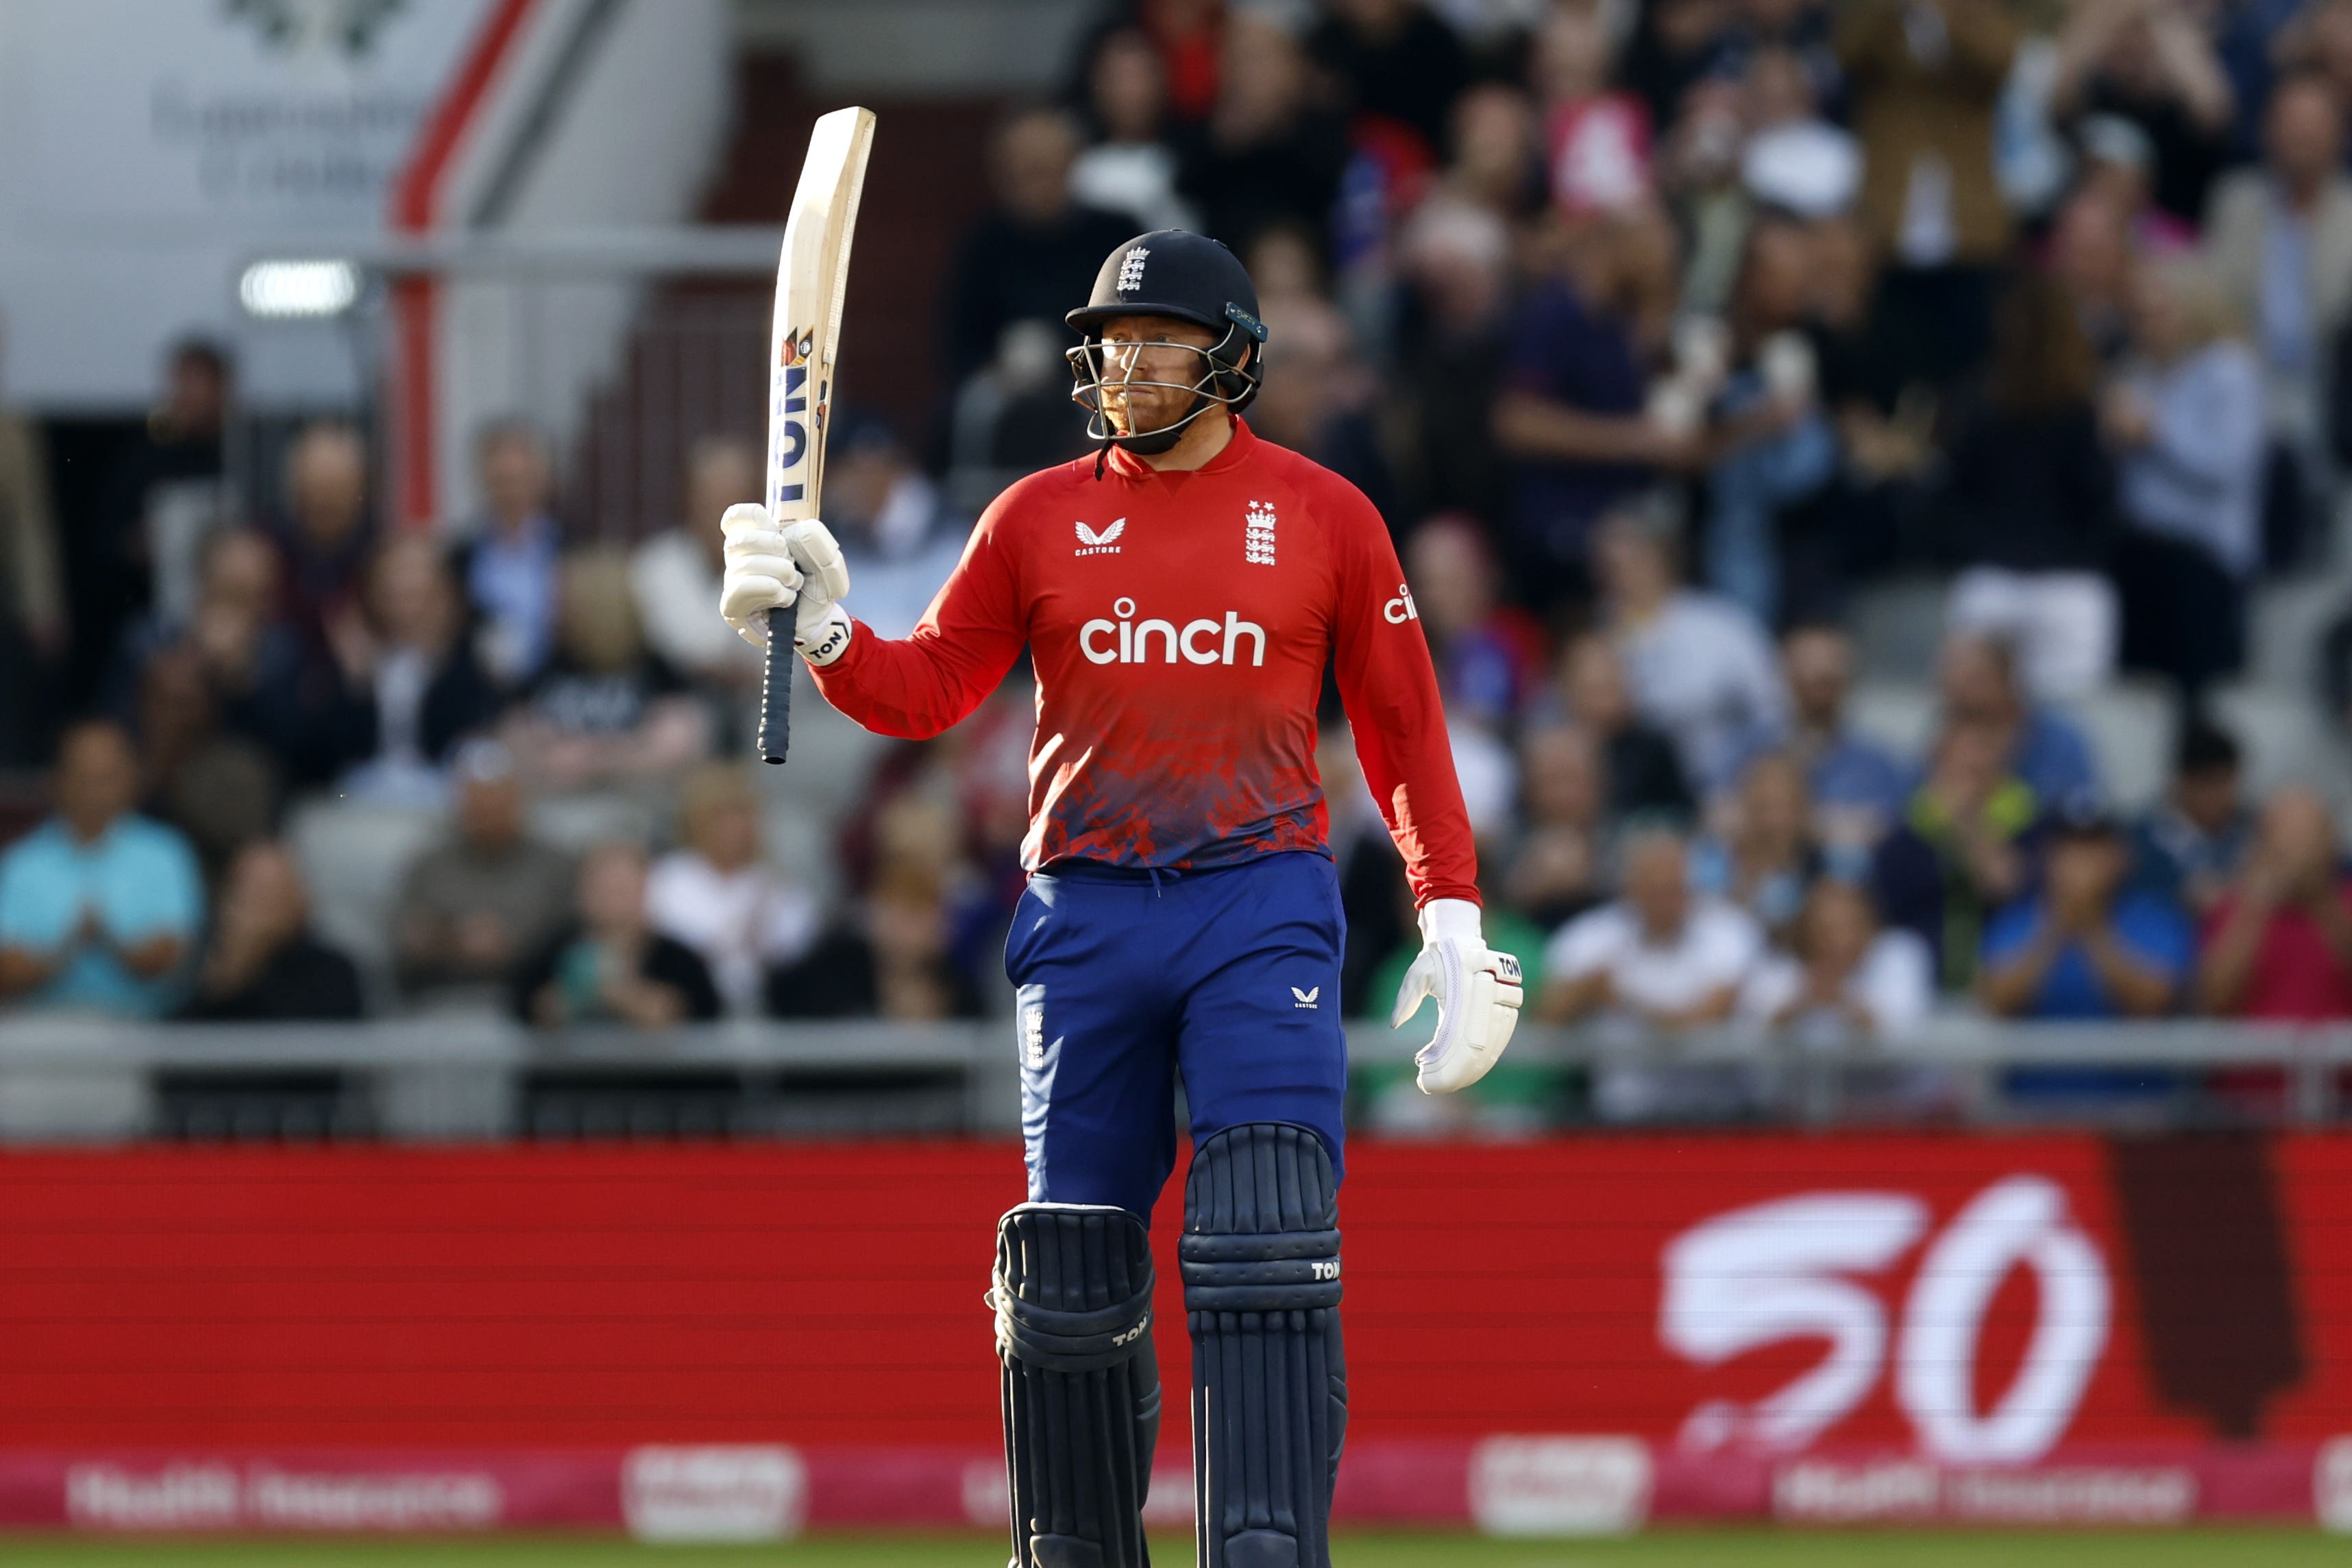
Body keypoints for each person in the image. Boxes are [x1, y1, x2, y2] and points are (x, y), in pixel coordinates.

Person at [718, 228, 1518, 1568]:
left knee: (1264, 1234)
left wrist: (1450, 908)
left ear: (1235, 361)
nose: (1126, 367)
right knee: (1068, 1274)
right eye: (1111, 344)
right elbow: (927, 692)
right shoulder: (1034, 515)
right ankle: (1074, 1547)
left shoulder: (1327, 515)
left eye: (1158, 343)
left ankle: (1262, 1545)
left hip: (1258, 901)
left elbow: (1400, 726)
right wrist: (824, 630)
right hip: (1083, 911)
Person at [1939, 271, 2120, 700]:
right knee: (2061, 712)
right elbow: (2100, 501)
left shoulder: (1975, 402)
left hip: (2009, 581)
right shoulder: (2085, 406)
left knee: (1982, 711)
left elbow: (1952, 496)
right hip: (2056, 586)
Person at [2104, 257, 2266, 694]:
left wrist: (2155, 433)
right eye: (2138, 315)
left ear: (2192, 309)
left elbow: (2225, 466)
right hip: (2138, 554)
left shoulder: (2228, 371)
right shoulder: (2136, 373)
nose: (2147, 326)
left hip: (2204, 558)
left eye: (2159, 313)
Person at [0, 720, 203, 1016]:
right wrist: (68, 948)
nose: (93, 790)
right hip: (40, 1029)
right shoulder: (20, 862)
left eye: (105, 777)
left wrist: (108, 940)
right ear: (56, 780)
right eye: (82, 776)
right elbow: (7, 970)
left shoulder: (166, 853)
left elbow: (170, 958)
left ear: (132, 778)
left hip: (145, 1030)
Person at [1593, 502, 1789, 796]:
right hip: (1631, 793)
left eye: (1628, 558)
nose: (1616, 574)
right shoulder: (1593, 635)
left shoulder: (1721, 625)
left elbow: (1772, 713)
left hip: (1727, 791)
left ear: (1660, 555)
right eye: (1605, 565)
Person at [942, 107, 1137, 382]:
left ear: (1072, 162)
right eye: (1025, 168)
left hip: (1098, 380)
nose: (1037, 181)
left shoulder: (1117, 236)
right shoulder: (984, 244)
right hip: (1003, 386)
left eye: (1047, 166)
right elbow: (959, 341)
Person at [503, 549, 711, 794]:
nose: (554, 615)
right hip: (559, 808)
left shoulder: (655, 671)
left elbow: (678, 747)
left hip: (642, 808)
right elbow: (516, 742)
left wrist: (597, 758)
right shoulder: (548, 668)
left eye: (565, 603)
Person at [315, 535, 504, 801]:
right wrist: (356, 684)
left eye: (419, 594)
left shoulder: (469, 661)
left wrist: (437, 665)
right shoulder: (354, 659)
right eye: (397, 594)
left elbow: (460, 743)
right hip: (363, 800)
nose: (409, 609)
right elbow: (328, 756)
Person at [391, 740, 574, 1004]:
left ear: (517, 802)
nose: (485, 816)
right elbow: (404, 940)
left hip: (529, 1004)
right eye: (476, 806)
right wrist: (453, 940)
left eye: (495, 804)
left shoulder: (555, 866)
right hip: (440, 1000)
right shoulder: (428, 866)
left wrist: (512, 944)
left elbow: (571, 939)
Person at [1980, 800, 2192, 1020]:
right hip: (2041, 1055)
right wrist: (2055, 928)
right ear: (2050, 859)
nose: (2083, 862)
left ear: (2121, 857)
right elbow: (1996, 1001)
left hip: (2122, 1054)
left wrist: (2093, 928)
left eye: (2094, 848)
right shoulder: (2018, 917)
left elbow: (2157, 1002)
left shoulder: (2153, 915)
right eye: (2072, 849)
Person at [1872, 718, 2036, 991]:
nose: (1970, 777)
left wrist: (1965, 822)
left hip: (2007, 987)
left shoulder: (2030, 826)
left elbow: (2004, 885)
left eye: (1981, 766)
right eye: (1960, 766)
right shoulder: (1905, 838)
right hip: (1922, 988)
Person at [647, 763, 818, 1016]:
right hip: (692, 1010)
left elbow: (792, 949)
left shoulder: (777, 886)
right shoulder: (668, 878)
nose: (734, 827)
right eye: (721, 816)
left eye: (742, 815)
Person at [516, 841, 721, 1029]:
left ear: (644, 891)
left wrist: (620, 994)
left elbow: (699, 1013)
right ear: (582, 893)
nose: (613, 902)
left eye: (622, 890)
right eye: (604, 889)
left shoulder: (681, 961)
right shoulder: (550, 952)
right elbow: (527, 1005)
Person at [2196, 786, 2352, 1020]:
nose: (2295, 852)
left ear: (2329, 843)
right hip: (2255, 1055)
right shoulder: (2233, 910)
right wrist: (2256, 908)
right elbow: (2214, 999)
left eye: (2306, 839)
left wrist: (2322, 901)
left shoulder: (2345, 904)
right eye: (2285, 837)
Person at [631, 434, 763, 689]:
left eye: (736, 498)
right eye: (712, 497)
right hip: (675, 701)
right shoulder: (656, 562)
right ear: (689, 497)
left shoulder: (778, 565)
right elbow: (687, 649)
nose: (723, 512)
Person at [179, 841, 363, 1022]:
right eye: (250, 892)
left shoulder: (332, 970)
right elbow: (190, 1034)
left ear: (299, 898)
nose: (260, 908)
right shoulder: (201, 965)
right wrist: (229, 974)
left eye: (269, 894)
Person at [1741, 877, 1932, 1042]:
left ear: (1872, 926)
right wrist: (1800, 1004)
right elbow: (1752, 1036)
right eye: (1828, 930)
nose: (1841, 941)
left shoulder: (1900, 955)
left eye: (1852, 926)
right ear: (1806, 931)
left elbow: (1906, 1039)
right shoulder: (1779, 969)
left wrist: (1845, 1005)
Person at [1776, 623, 1908, 862]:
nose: (1819, 691)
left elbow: (1889, 831)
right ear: (1787, 677)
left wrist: (1793, 822)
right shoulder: (1751, 751)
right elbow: (1720, 817)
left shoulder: (1879, 765)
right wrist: (1840, 825)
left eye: (1829, 680)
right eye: (1808, 677)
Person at [1936, 630, 2100, 805]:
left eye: (1973, 680)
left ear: (2006, 677)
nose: (1960, 693)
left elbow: (2083, 814)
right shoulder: (1943, 739)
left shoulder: (2062, 741)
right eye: (1951, 682)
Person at [455, 419, 563, 686]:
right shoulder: (459, 557)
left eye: (521, 479)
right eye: (501, 481)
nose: (511, 493)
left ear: (543, 479)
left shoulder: (570, 548)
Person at [1550, 631, 1695, 822]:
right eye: (1594, 689)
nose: (1604, 702)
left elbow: (1681, 817)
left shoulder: (1654, 751)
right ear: (1568, 691)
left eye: (1610, 687)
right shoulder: (1549, 751)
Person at [2132, 716, 2255, 916]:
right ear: (2183, 783)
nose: (2223, 796)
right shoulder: (2140, 840)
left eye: (2229, 783)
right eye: (2211, 783)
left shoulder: (2252, 828)